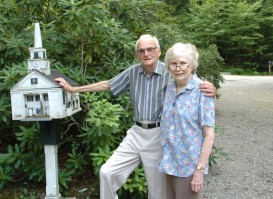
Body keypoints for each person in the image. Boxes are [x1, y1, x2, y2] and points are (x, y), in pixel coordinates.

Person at [55, 35, 216, 199]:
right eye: (141, 50)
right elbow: (107, 84)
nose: (146, 53)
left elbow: (190, 79)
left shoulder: (170, 72)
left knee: (158, 192)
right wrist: (74, 90)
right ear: (137, 54)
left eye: (150, 49)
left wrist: (211, 88)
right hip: (136, 133)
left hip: (159, 135)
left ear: (158, 52)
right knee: (107, 172)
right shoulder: (132, 72)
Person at [157, 43, 215, 199]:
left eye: (183, 63)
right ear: (169, 66)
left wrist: (200, 171)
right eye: (174, 64)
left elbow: (209, 135)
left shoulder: (203, 90)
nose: (178, 68)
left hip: (188, 165)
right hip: (169, 161)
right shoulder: (170, 87)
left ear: (192, 66)